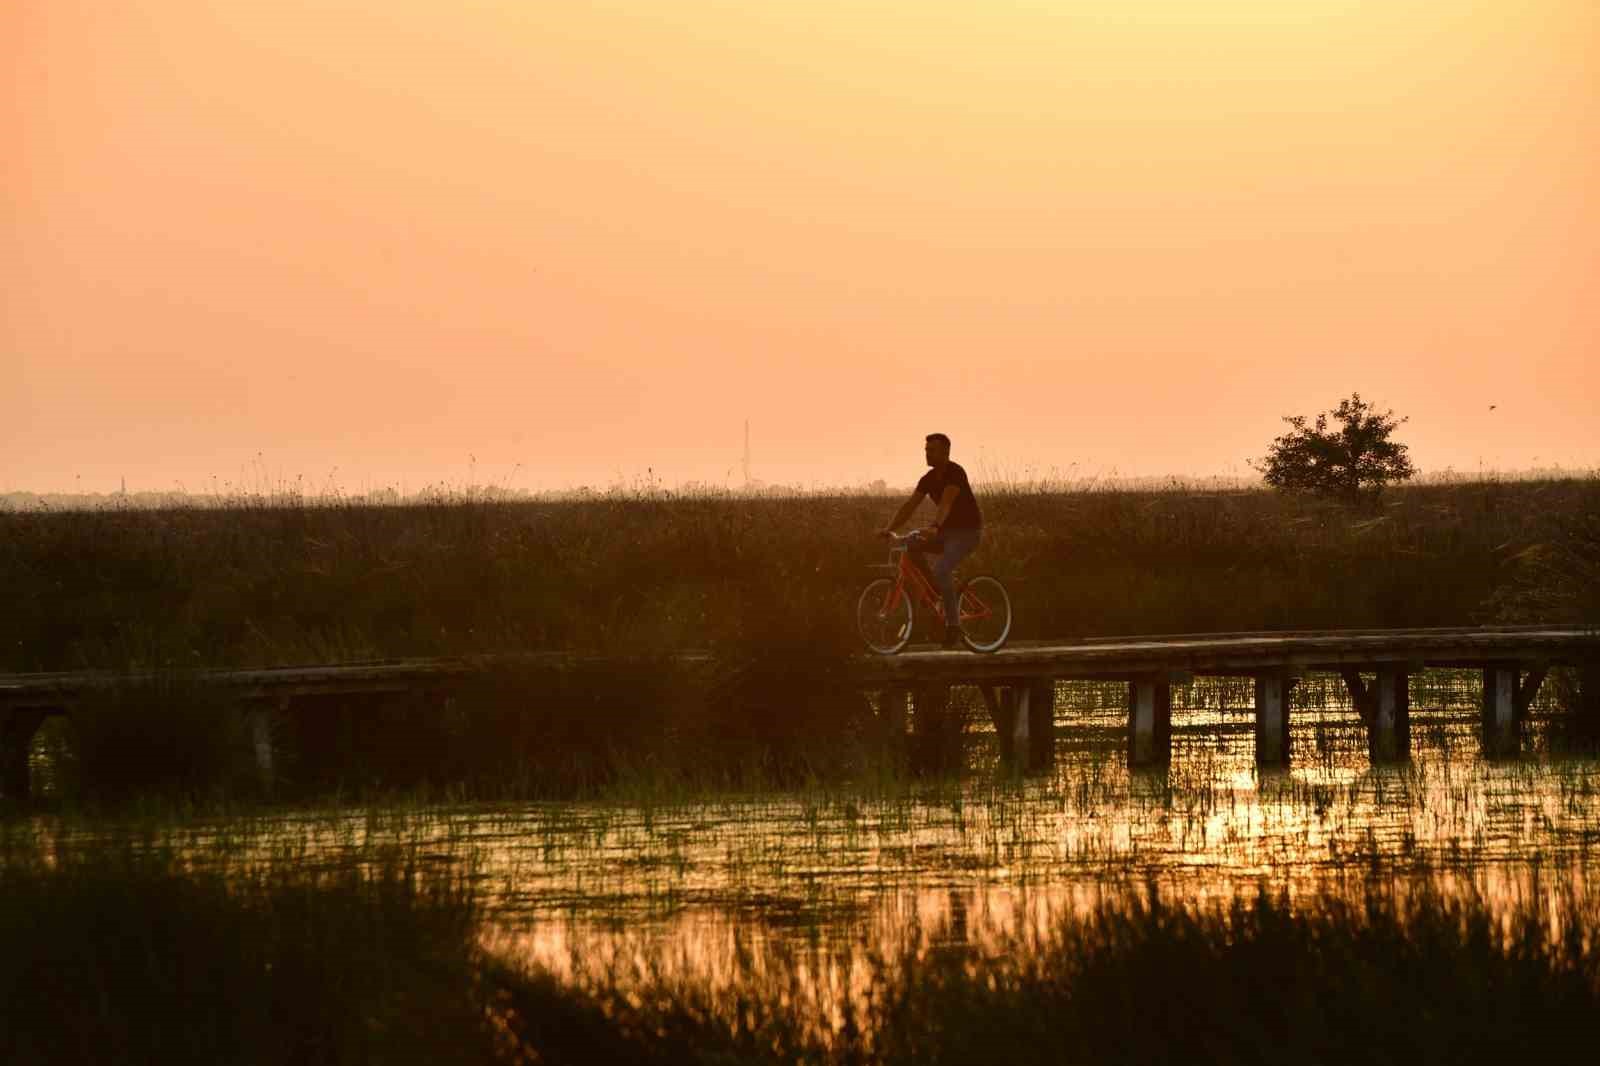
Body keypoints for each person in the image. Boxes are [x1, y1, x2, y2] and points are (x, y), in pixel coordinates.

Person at [877, 433, 983, 648]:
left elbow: (946, 502)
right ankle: (936, 591)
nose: (927, 453)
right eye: (926, 450)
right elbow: (909, 506)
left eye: (931, 450)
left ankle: (954, 626)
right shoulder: (927, 479)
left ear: (946, 452)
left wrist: (935, 526)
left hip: (967, 533)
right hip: (946, 533)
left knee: (943, 570)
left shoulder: (955, 472)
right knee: (911, 544)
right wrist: (889, 529)